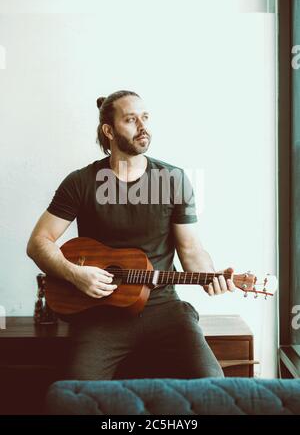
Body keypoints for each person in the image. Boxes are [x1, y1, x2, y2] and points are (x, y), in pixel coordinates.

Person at [26, 89, 235, 380]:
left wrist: (210, 276)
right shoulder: (80, 182)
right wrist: (74, 273)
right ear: (109, 130)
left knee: (213, 386)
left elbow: (191, 250)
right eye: (131, 119)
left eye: (146, 117)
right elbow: (38, 242)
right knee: (77, 398)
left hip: (164, 308)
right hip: (101, 315)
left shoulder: (173, 180)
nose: (143, 126)